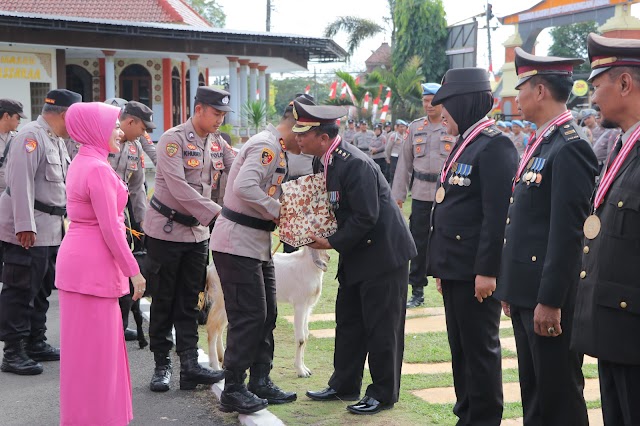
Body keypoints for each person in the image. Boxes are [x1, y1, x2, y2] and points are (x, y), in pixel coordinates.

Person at [495, 48, 598, 426]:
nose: (516, 96)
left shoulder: (570, 146)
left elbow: (568, 234)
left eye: (521, 87)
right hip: (527, 291)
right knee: (534, 394)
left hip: (548, 298)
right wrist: (511, 286)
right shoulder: (544, 142)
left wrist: (550, 300)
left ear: (540, 90)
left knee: (558, 396)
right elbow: (522, 223)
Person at [297, 100, 416, 415]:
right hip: (356, 253)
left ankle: (383, 392)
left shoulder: (355, 163)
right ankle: (344, 383)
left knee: (381, 326)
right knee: (348, 321)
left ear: (323, 137)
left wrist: (331, 241)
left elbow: (366, 216)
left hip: (382, 255)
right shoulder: (323, 161)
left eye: (303, 133)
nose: (298, 138)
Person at [427, 68, 518, 425]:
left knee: (480, 350)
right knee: (460, 349)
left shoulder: (494, 144)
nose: (440, 113)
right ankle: (466, 412)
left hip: (475, 273)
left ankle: (482, 417)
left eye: (445, 105)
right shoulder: (467, 141)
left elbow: (496, 217)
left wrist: (487, 271)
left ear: (463, 104)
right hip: (455, 268)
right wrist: (442, 265)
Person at [211, 97, 305, 415]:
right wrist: (280, 211)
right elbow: (245, 186)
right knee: (248, 316)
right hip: (236, 242)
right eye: (304, 133)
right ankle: (234, 388)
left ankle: (260, 380)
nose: (303, 142)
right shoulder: (266, 146)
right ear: (296, 125)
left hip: (255, 243)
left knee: (267, 314)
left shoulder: (276, 148)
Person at [55, 102, 146, 426]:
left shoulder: (84, 161)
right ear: (95, 130)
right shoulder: (97, 168)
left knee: (83, 357)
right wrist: (133, 271)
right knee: (99, 356)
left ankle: (85, 418)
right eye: (114, 126)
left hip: (78, 266)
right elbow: (112, 228)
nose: (120, 132)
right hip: (93, 269)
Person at [572, 33, 640, 426]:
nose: (593, 98)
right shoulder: (621, 145)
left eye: (598, 86)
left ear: (626, 84)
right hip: (615, 329)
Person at [143, 87, 228, 392]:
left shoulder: (217, 144)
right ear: (200, 108)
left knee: (191, 301)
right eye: (216, 113)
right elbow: (179, 188)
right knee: (164, 299)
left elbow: (236, 173)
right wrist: (220, 214)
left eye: (223, 115)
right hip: (166, 232)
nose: (220, 119)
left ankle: (190, 367)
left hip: (197, 234)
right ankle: (162, 364)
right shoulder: (173, 139)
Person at [0, 89, 81, 376]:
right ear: (64, 114)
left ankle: (35, 340)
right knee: (20, 289)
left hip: (51, 229)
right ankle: (13, 351)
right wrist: (24, 225)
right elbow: (20, 183)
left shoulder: (54, 138)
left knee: (42, 288)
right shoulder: (31, 136)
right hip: (29, 229)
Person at [391, 82, 451, 309]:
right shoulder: (416, 128)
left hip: (446, 194)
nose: (428, 105)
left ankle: (448, 284)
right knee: (417, 242)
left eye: (432, 101)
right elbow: (404, 164)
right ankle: (417, 290)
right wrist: (398, 195)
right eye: (425, 101)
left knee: (446, 239)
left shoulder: (451, 127)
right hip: (420, 193)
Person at [103, 99, 155, 342]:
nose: (144, 134)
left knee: (119, 276)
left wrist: (142, 223)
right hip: (97, 222)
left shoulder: (134, 148)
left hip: (119, 221)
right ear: (130, 121)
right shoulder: (101, 139)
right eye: (143, 128)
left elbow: (137, 189)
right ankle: (100, 328)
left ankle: (118, 325)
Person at [0, 99, 26, 278]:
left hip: (7, 201)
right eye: (17, 117)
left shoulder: (16, 139)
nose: (19, 122)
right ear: (6, 115)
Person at [384, 119, 407, 185]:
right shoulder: (394, 136)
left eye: (404, 126)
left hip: (402, 158)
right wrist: (388, 158)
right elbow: (388, 148)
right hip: (394, 157)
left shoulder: (405, 136)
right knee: (393, 175)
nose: (402, 128)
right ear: (397, 127)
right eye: (401, 126)